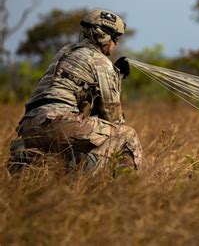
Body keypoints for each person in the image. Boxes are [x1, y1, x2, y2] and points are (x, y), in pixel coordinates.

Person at [8, 9, 143, 174]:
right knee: (127, 135)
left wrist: (117, 76)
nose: (117, 43)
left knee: (77, 143)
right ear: (104, 37)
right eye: (116, 37)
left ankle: (29, 161)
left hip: (29, 125)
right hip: (59, 123)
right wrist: (113, 77)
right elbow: (112, 115)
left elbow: (67, 89)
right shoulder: (100, 61)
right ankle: (120, 188)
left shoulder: (65, 52)